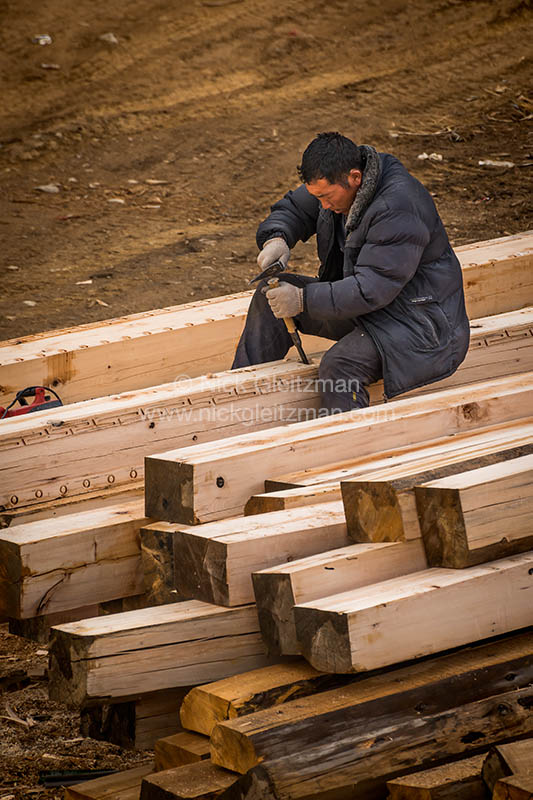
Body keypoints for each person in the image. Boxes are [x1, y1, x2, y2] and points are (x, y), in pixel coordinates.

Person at [232, 132, 470, 413]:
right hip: (369, 310)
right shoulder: (337, 184)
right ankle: (234, 403)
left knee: (340, 366)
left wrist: (303, 300)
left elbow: (371, 288)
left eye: (326, 197)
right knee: (268, 297)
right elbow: (295, 209)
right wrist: (277, 238)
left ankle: (349, 437)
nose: (323, 205)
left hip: (419, 325)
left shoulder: (397, 208)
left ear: (355, 177)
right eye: (317, 197)